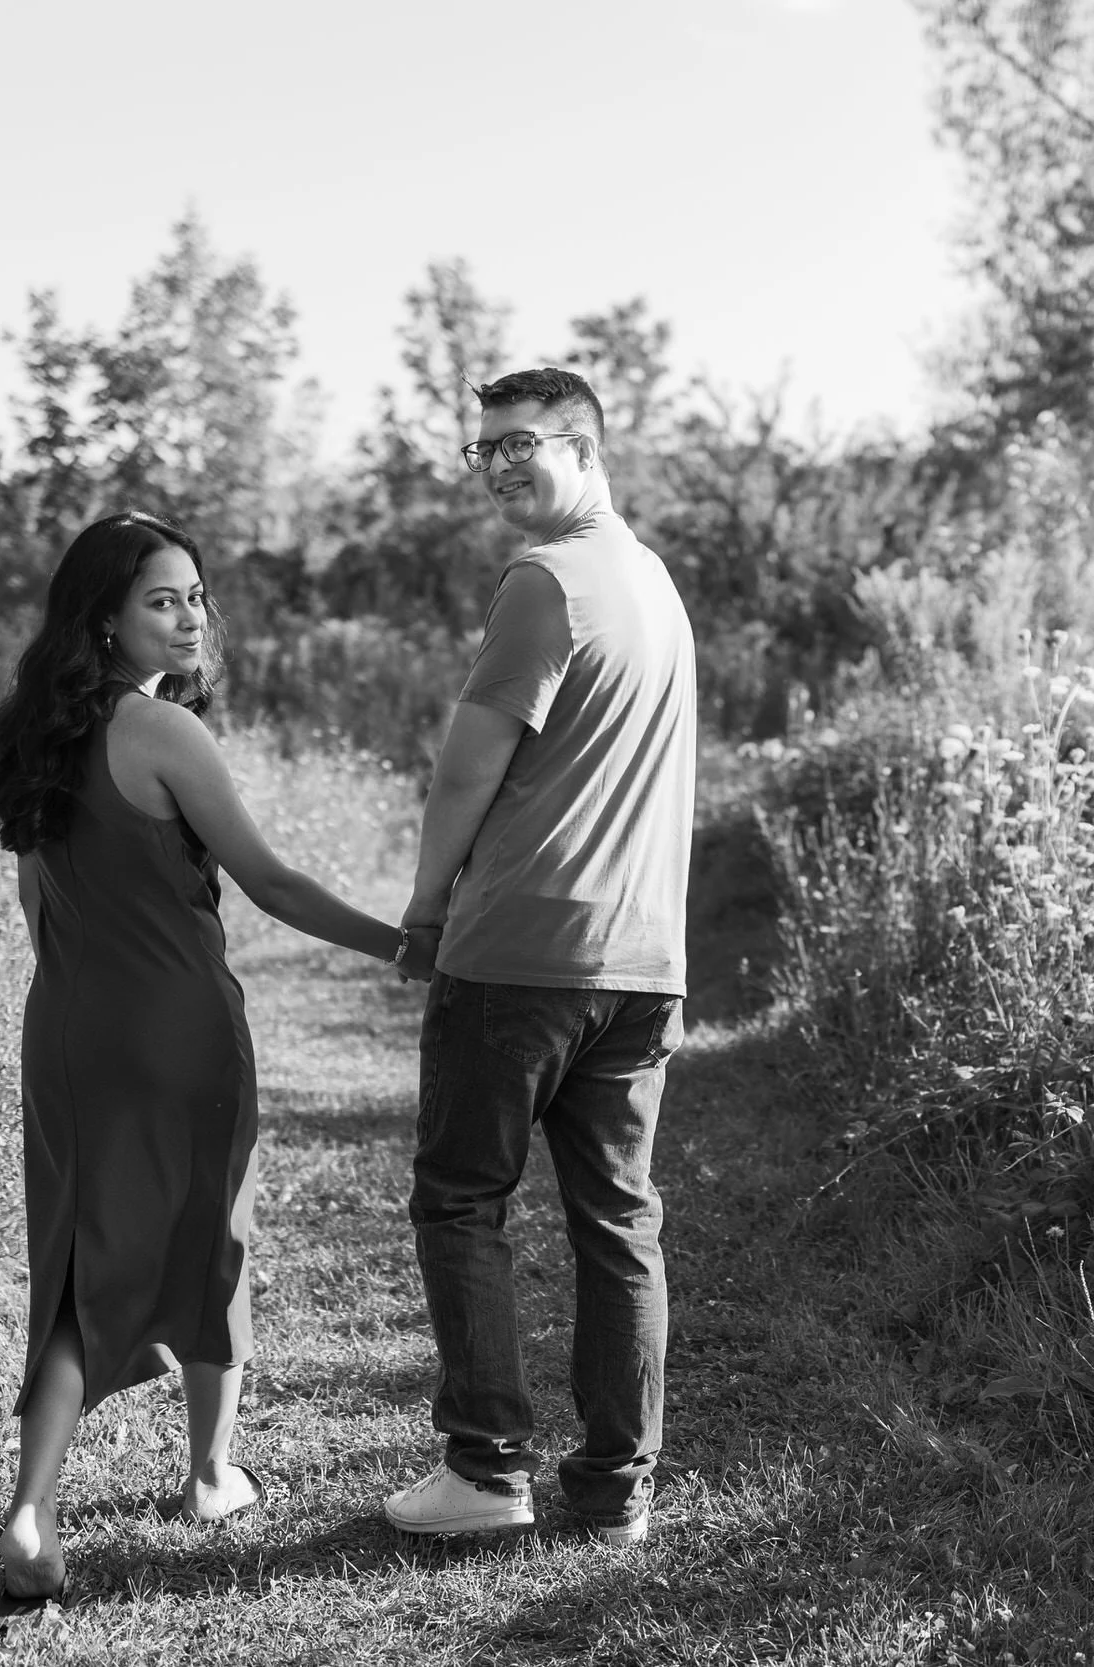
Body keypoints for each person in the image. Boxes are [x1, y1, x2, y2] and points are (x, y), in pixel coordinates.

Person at [0, 510, 417, 1601]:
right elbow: (271, 882)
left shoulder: (30, 734)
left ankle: (32, 1510)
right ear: (105, 618)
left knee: (78, 1263)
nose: (187, 616)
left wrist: (86, 991)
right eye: (159, 598)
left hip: (69, 1028)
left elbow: (39, 904)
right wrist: (409, 947)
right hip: (179, 1025)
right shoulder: (165, 734)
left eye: (194, 595)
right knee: (211, 1238)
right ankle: (210, 1473)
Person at [381, 367, 697, 1549]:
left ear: (584, 444)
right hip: (640, 960)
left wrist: (423, 908)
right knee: (619, 1221)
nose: (499, 465)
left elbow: (468, 766)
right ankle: (617, 1492)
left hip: (522, 951)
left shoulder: (545, 578)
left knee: (461, 1199)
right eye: (485, 451)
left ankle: (485, 1469)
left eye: (520, 443)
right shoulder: (652, 582)